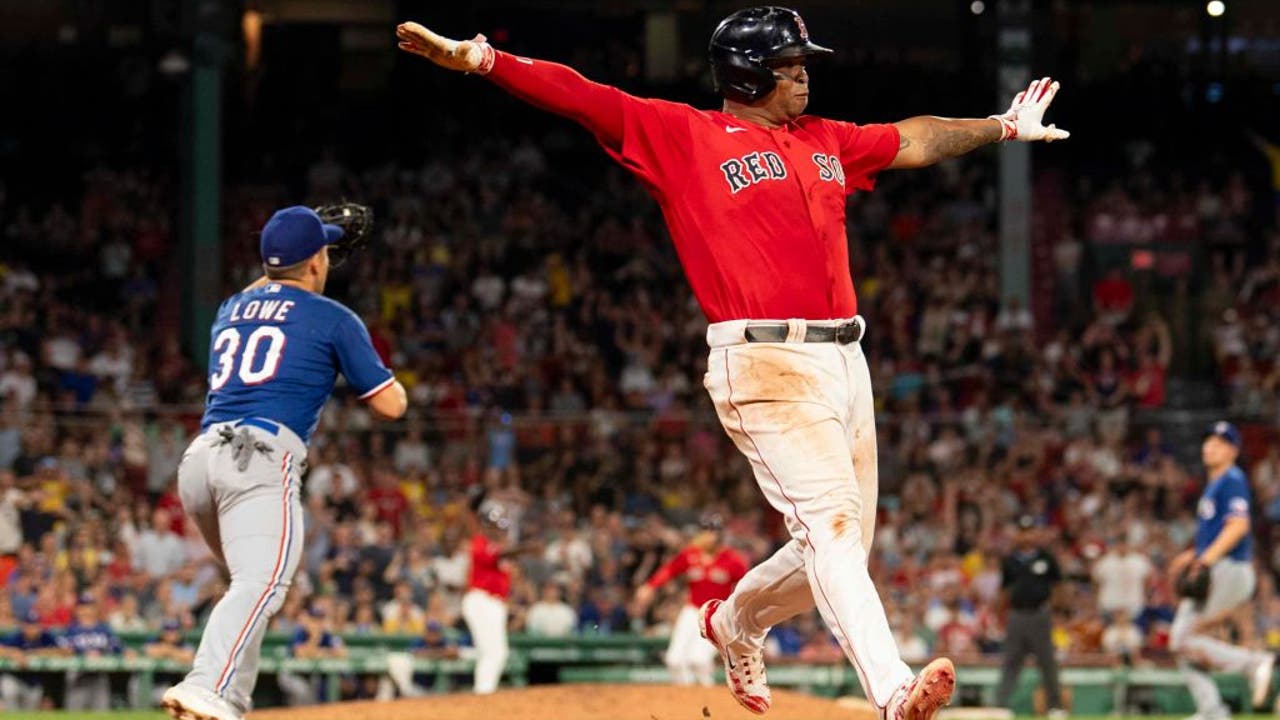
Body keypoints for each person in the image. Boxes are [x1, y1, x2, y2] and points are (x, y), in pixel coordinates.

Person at [396, 5, 1068, 717]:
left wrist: (1000, 127)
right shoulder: (684, 135)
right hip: (763, 360)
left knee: (836, 552)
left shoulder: (823, 138)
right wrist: (483, 60)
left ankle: (734, 622)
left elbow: (915, 140)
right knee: (833, 529)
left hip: (847, 359)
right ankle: (893, 690)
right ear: (748, 75)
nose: (805, 75)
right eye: (791, 65)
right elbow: (582, 95)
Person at [161, 205, 408, 720]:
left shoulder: (232, 306)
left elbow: (270, 287)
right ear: (318, 260)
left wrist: (305, 248)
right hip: (257, 461)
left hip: (201, 461)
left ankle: (229, 701)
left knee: (247, 585)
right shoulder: (334, 318)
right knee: (262, 583)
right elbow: (390, 406)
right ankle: (205, 684)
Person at [1167, 422, 1275, 720]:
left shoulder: (1232, 479)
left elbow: (1239, 526)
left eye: (1218, 442)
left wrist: (1204, 561)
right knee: (1180, 642)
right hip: (1220, 566)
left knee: (1182, 639)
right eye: (1208, 441)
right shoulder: (1215, 485)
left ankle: (1252, 664)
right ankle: (1212, 711)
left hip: (1229, 568)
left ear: (1233, 450)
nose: (1209, 446)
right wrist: (1194, 555)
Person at [633, 512, 748, 686]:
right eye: (705, 530)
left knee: (698, 660)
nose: (708, 535)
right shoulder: (690, 554)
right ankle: (686, 700)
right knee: (674, 660)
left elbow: (747, 586)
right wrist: (650, 586)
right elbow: (669, 570)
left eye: (713, 531)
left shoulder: (732, 560)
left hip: (718, 614)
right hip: (692, 610)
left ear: (720, 534)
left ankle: (708, 699)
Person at [461, 503, 540, 694]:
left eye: (501, 526)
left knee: (497, 652)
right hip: (481, 600)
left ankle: (484, 692)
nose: (499, 529)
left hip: (494, 603)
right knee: (492, 652)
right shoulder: (480, 542)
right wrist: (525, 549)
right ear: (486, 525)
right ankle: (483, 694)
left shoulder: (498, 547)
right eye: (496, 525)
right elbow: (497, 556)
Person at [995, 516, 1064, 717]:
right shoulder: (1010, 560)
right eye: (1023, 531)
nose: (1027, 535)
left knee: (1047, 662)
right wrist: (1000, 616)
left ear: (1036, 533)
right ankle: (1002, 705)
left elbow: (1058, 586)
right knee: (1011, 661)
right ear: (1018, 533)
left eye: (1031, 530)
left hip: (1040, 614)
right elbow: (1004, 591)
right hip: (1016, 615)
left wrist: (1058, 612)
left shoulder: (1046, 558)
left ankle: (1055, 706)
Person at [0, 610, 65, 710]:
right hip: (15, 678)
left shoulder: (45, 637)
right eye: (29, 625)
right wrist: (12, 653)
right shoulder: (16, 637)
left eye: (35, 625)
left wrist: (31, 654)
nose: (32, 629)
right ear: (23, 626)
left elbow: (63, 651)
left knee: (31, 711)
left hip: (34, 682)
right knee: (9, 688)